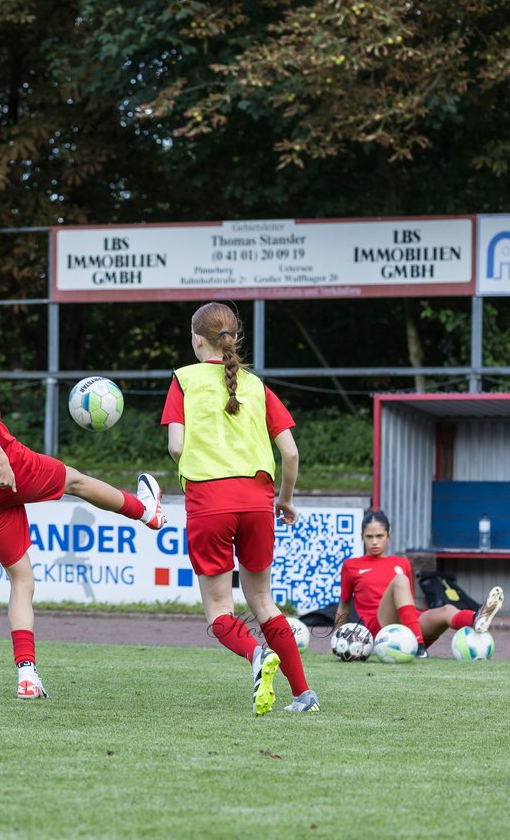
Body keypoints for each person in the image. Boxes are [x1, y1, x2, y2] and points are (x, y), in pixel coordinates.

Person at [0, 294, 166, 700]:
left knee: (21, 580)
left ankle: (26, 675)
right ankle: (147, 512)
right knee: (75, 481)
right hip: (9, 466)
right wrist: (1, 459)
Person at [159, 302, 318, 715]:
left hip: (210, 500)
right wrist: (285, 498)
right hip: (257, 500)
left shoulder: (184, 380)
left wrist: (197, 465)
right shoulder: (255, 385)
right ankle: (304, 695)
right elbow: (291, 452)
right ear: (233, 336)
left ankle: (256, 656)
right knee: (263, 600)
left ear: (196, 338)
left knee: (218, 612)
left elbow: (176, 446)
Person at [335, 507, 504, 656]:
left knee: (447, 609)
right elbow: (344, 606)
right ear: (361, 537)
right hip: (380, 627)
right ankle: (419, 645)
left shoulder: (402, 563)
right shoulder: (351, 566)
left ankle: (476, 618)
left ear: (389, 536)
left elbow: (408, 603)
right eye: (369, 536)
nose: (374, 542)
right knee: (400, 580)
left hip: (409, 622)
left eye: (379, 536)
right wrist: (335, 640)